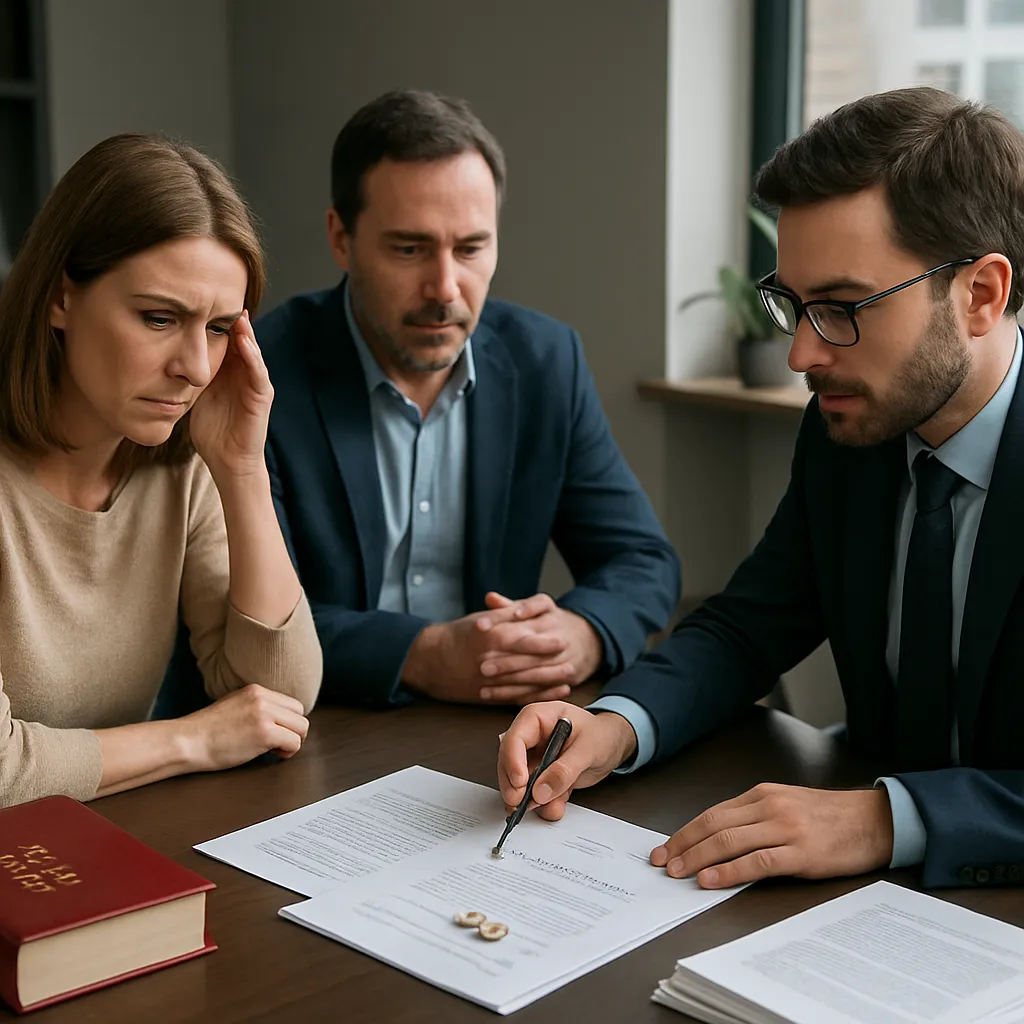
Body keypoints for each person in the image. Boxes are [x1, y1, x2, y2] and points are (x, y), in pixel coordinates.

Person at [498, 86, 1024, 890]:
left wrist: (886, 818)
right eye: (794, 305)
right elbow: (751, 626)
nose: (802, 356)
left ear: (980, 295)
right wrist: (610, 725)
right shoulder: (851, 428)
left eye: (844, 308)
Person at [258, 89, 680, 708]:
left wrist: (577, 634)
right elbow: (248, 622)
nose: (446, 287)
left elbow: (643, 559)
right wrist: (420, 654)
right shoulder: (265, 376)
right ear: (341, 239)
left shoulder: (545, 361)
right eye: (410, 248)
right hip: (318, 727)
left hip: (493, 731)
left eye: (471, 248)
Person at [0, 133, 322, 809]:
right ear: (61, 298)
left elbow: (278, 703)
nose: (196, 369)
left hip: (89, 854)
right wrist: (192, 741)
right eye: (158, 318)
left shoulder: (181, 464)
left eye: (217, 328)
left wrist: (241, 470)